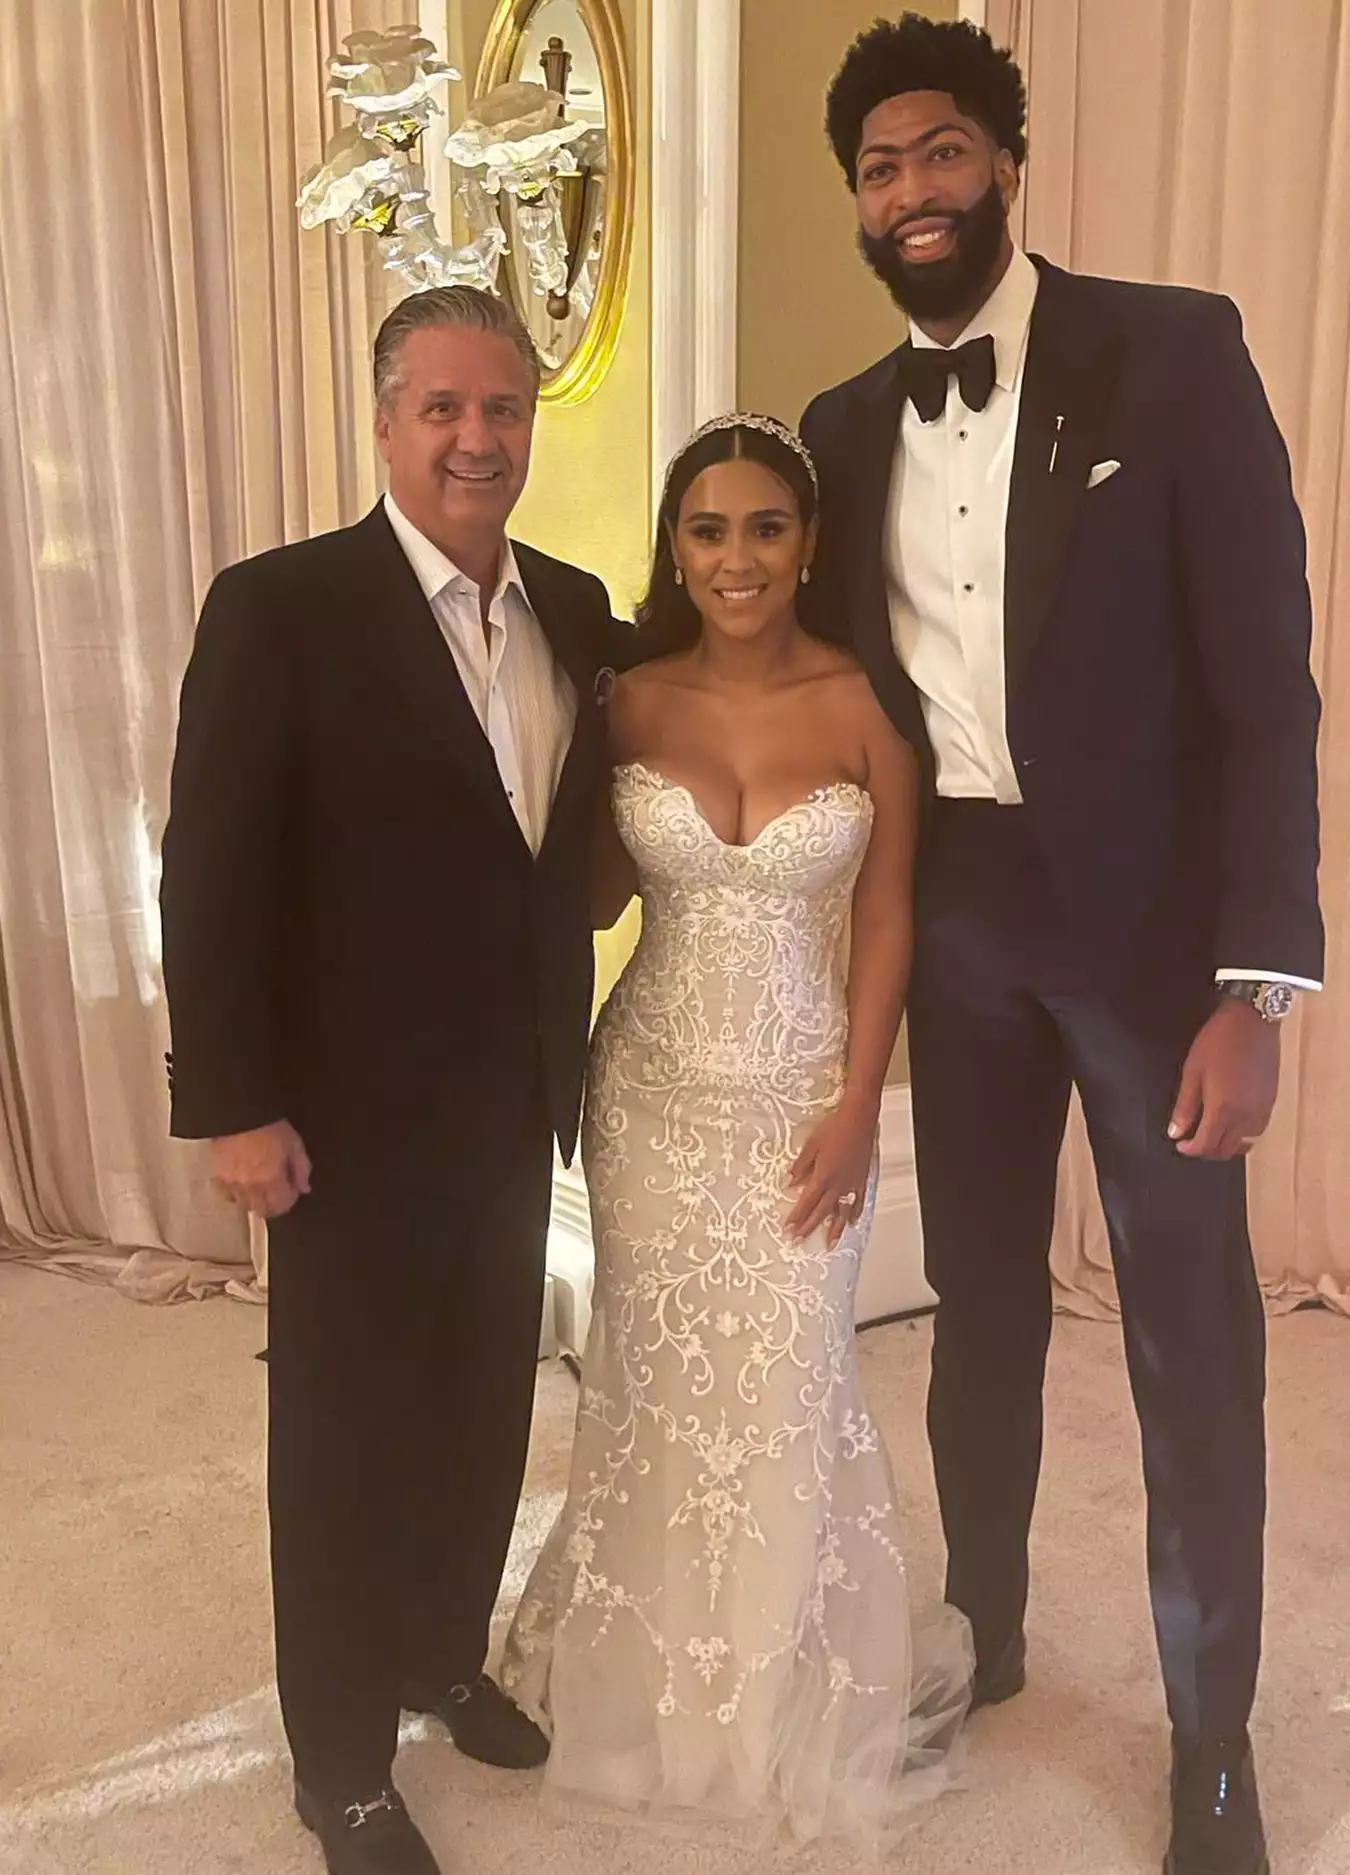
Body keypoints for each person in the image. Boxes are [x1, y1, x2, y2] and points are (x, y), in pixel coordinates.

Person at [800, 18, 1324, 1875]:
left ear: (1007, 163)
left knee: (1191, 1338)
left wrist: (1257, 985)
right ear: (857, 202)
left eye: (943, 153)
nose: (914, 191)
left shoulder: (1174, 351)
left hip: (1161, 943)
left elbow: (1269, 688)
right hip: (960, 924)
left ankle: (1214, 1743)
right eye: (879, 166)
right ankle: (988, 1625)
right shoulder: (843, 428)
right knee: (978, 1315)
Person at [159, 285, 633, 1875]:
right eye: (442, 408)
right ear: (382, 422)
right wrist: (232, 1097)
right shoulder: (280, 605)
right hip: (340, 1120)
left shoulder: (573, 604)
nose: (475, 438)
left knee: (485, 1405)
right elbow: (208, 869)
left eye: (502, 409)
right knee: (346, 1441)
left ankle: (441, 1653)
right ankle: (342, 1761)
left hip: (516, 1098)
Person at [500, 413, 972, 1847]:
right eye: (706, 530)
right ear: (676, 549)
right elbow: (584, 901)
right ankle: (631, 1669)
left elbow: (886, 912)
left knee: (785, 1381)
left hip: (797, 1097)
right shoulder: (630, 698)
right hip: (648, 1090)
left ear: (809, 541)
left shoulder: (867, 705)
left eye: (765, 525)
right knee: (650, 1384)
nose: (736, 557)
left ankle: (779, 1688)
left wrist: (856, 1103)